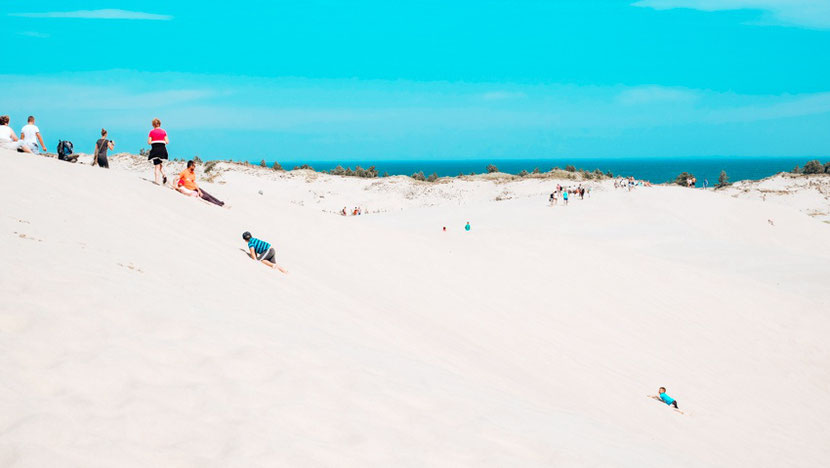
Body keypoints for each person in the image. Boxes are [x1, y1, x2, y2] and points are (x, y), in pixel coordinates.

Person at [147, 118, 169, 185]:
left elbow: (149, 142)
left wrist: (155, 140)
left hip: (155, 149)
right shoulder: (163, 131)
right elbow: (167, 141)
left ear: (153, 125)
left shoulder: (151, 132)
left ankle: (156, 181)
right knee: (159, 163)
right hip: (162, 149)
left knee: (156, 166)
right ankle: (164, 175)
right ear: (159, 124)